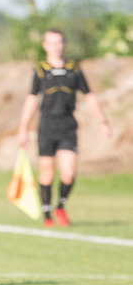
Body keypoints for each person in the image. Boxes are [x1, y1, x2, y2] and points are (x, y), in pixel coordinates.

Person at [17, 28, 112, 227]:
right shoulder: (40, 70)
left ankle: (60, 206)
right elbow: (31, 99)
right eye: (51, 42)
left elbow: (90, 95)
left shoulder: (73, 69)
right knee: (47, 170)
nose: (55, 46)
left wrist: (103, 121)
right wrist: (23, 128)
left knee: (68, 172)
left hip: (68, 125)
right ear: (45, 45)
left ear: (63, 44)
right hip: (47, 126)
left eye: (59, 42)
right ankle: (47, 215)